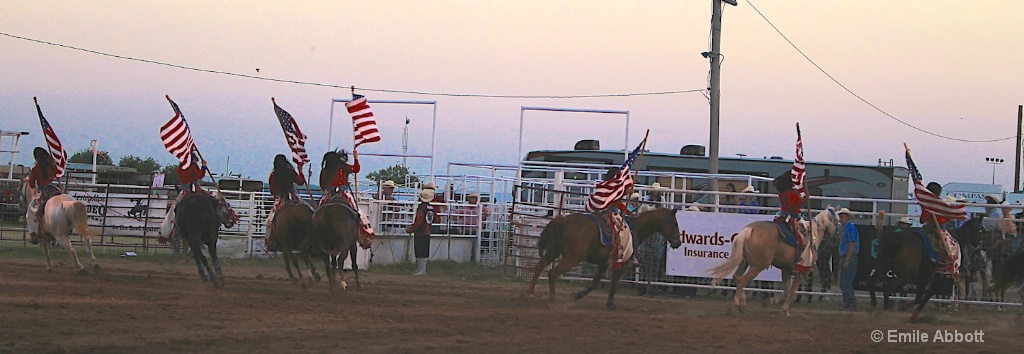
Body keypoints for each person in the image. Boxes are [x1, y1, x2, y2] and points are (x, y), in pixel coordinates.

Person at [319, 149, 375, 244]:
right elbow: (356, 169)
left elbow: (322, 185)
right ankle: (363, 231)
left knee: (320, 209)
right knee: (356, 210)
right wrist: (356, 158)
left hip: (329, 194)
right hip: (343, 192)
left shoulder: (325, 170)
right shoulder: (343, 167)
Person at [158, 151, 209, 244]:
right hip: (195, 188)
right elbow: (199, 175)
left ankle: (167, 232)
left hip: (184, 190)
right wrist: (204, 166)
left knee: (173, 210)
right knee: (212, 199)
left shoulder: (179, 168)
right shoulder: (193, 166)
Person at [265, 154, 307, 252]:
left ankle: (271, 242)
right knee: (309, 210)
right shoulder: (291, 172)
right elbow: (301, 182)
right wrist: (300, 170)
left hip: (281, 198)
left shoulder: (274, 175)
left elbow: (272, 191)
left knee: (270, 221)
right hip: (293, 196)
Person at [773, 174, 809, 272]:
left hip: (782, 215)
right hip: (793, 216)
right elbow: (796, 205)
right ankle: (801, 258)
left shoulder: (782, 193)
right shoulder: (791, 193)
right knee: (803, 235)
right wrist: (803, 198)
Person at [26, 147, 60, 244]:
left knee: (31, 210)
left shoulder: (36, 169)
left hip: (44, 192)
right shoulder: (53, 166)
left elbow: (32, 184)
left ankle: (34, 235)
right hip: (55, 190)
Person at [919, 182, 953, 265]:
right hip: (937, 228)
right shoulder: (936, 203)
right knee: (948, 244)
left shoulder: (925, 203)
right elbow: (941, 220)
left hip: (927, 226)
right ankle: (947, 261)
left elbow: (922, 219)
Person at [406, 188, 436, 276]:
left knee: (419, 250)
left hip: (420, 231)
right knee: (425, 250)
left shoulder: (421, 207)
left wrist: (412, 228)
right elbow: (435, 219)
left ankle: (421, 270)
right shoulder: (431, 207)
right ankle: (423, 269)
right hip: (427, 231)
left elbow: (419, 220)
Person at [837, 208, 859, 310]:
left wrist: (847, 259)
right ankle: (848, 302)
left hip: (849, 256)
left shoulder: (850, 228)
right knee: (844, 282)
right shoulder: (847, 228)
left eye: (842, 216)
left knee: (846, 282)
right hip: (847, 256)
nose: (840, 219)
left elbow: (852, 243)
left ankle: (851, 302)